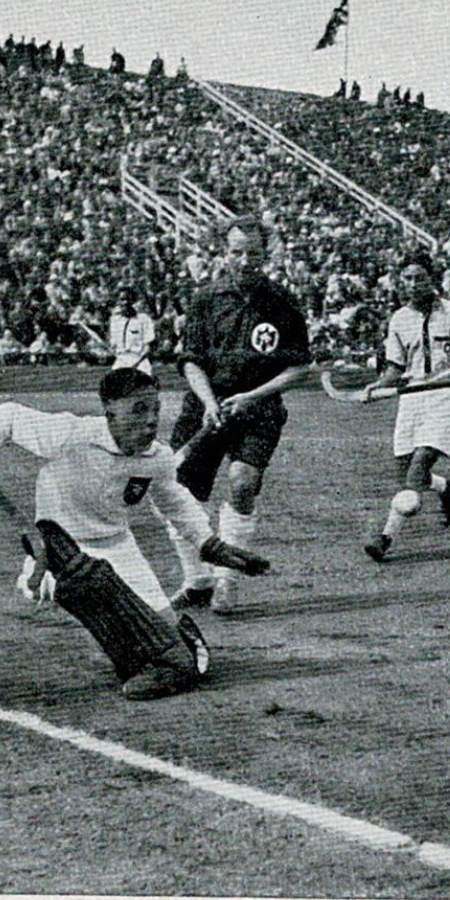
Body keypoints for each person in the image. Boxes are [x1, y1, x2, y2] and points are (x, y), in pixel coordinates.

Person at [0, 367, 269, 700]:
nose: (150, 420)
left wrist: (210, 544)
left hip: (119, 547)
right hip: (61, 555)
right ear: (110, 414)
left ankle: (173, 639)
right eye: (138, 410)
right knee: (91, 585)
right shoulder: (71, 434)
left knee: (169, 644)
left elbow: (175, 501)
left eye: (155, 410)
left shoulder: (156, 457)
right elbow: (9, 417)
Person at [164, 216, 312, 614]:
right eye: (236, 252)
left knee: (242, 481)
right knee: (182, 494)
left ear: (267, 254)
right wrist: (210, 401)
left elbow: (299, 366)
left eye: (254, 253)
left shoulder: (282, 303)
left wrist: (252, 395)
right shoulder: (205, 299)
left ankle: (226, 582)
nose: (245, 261)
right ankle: (196, 581)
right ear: (223, 251)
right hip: (205, 407)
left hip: (257, 409)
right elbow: (189, 361)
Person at [360, 250, 450, 563]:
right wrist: (377, 386)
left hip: (446, 395)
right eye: (407, 279)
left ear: (432, 279)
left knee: (417, 471)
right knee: (406, 477)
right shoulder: (399, 319)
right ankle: (445, 487)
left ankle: (385, 537)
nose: (412, 284)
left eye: (419, 278)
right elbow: (396, 369)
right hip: (411, 397)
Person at [108, 291, 157, 372]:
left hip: (139, 359)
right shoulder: (114, 320)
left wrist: (137, 362)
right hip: (121, 360)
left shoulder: (144, 319)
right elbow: (113, 343)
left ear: (134, 302)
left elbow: (148, 345)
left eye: (129, 300)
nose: (126, 303)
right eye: (122, 300)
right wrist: (113, 348)